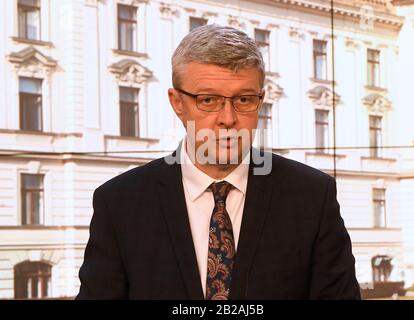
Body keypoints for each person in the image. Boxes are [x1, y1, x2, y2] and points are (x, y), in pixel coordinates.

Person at [76, 24, 361, 300]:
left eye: (244, 99)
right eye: (208, 100)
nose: (228, 118)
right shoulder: (119, 203)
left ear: (260, 101)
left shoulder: (312, 196)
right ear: (177, 103)